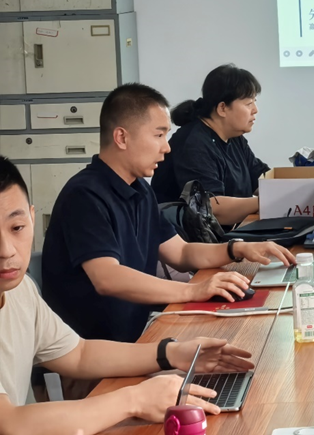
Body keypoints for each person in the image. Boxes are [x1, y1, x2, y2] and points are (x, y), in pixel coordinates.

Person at [0, 155, 253, 434]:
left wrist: (172, 353)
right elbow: (8, 423)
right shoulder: (85, 194)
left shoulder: (20, 290)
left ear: (32, 217)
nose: (7, 251)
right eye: (158, 135)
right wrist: (135, 400)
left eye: (17, 228)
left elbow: (79, 354)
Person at [41, 83, 295, 344]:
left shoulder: (139, 189)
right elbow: (108, 278)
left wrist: (238, 249)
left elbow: (180, 253)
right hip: (93, 348)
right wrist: (193, 290)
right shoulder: (85, 196)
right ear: (122, 138)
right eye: (159, 135)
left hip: (136, 335)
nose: (167, 147)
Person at [151, 64, 269, 226]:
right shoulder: (194, 144)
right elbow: (212, 209)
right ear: (222, 108)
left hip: (226, 234)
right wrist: (268, 201)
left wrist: (292, 189)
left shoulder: (235, 138)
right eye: (249, 104)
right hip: (187, 238)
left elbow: (260, 179)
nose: (255, 110)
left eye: (254, 102)